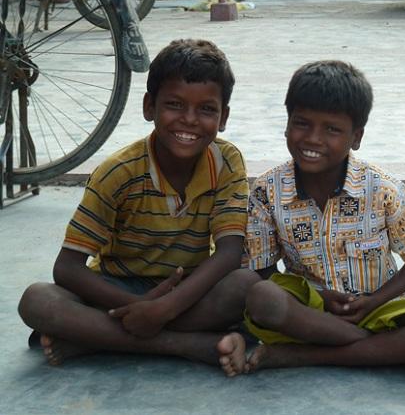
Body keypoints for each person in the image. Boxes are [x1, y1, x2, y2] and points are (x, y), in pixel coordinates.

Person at [18, 39, 260, 366]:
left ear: (224, 116)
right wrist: (141, 305)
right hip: (116, 289)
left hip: (186, 292)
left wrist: (163, 308)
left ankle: (97, 341)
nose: (189, 119)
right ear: (149, 107)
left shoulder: (226, 161)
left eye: (206, 109)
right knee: (37, 300)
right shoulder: (117, 172)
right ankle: (184, 345)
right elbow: (67, 268)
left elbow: (230, 252)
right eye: (174, 104)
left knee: (246, 285)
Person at [218, 60, 405, 377]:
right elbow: (262, 269)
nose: (313, 139)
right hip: (309, 313)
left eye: (332, 129)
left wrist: (374, 301)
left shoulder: (382, 189)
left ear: (356, 137)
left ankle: (299, 356)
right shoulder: (267, 191)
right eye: (302, 123)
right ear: (287, 125)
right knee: (262, 297)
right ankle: (383, 350)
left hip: (378, 308)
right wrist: (318, 297)